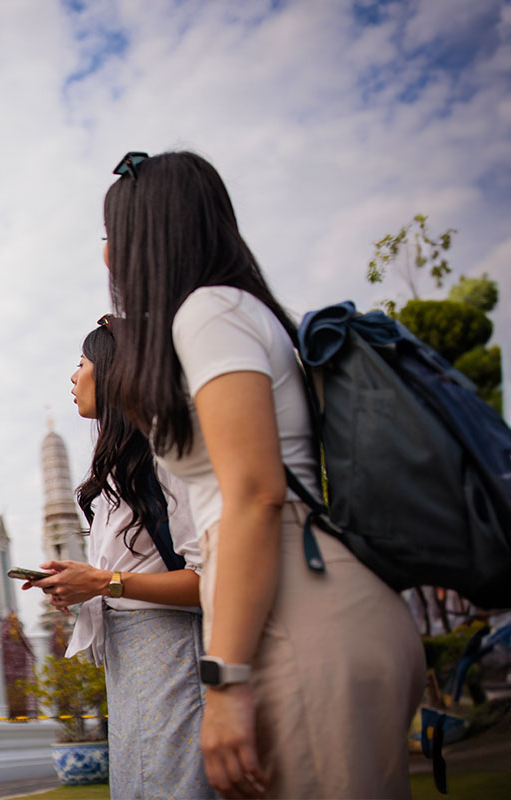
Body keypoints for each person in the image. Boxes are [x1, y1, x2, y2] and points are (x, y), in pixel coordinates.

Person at [100, 151, 425, 798]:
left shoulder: (208, 313)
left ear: (146, 237)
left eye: (112, 237)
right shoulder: (235, 311)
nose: (107, 256)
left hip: (298, 612)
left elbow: (254, 494)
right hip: (294, 600)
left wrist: (225, 681)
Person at [26, 319, 214, 799]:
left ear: (110, 373)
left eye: (81, 364)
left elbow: (210, 581)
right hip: (127, 658)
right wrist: (80, 585)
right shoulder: (115, 471)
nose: (73, 377)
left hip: (170, 651)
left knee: (171, 785)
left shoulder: (164, 456)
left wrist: (104, 583)